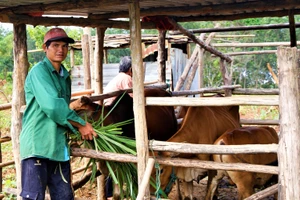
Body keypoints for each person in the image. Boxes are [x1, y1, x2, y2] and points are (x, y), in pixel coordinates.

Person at [19, 27, 97, 200]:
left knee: (64, 196)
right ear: (45, 48)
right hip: (38, 146)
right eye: (55, 45)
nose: (60, 50)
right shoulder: (39, 72)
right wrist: (82, 124)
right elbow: (53, 106)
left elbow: (63, 108)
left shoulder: (64, 76)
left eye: (64, 46)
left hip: (57, 148)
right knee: (34, 197)